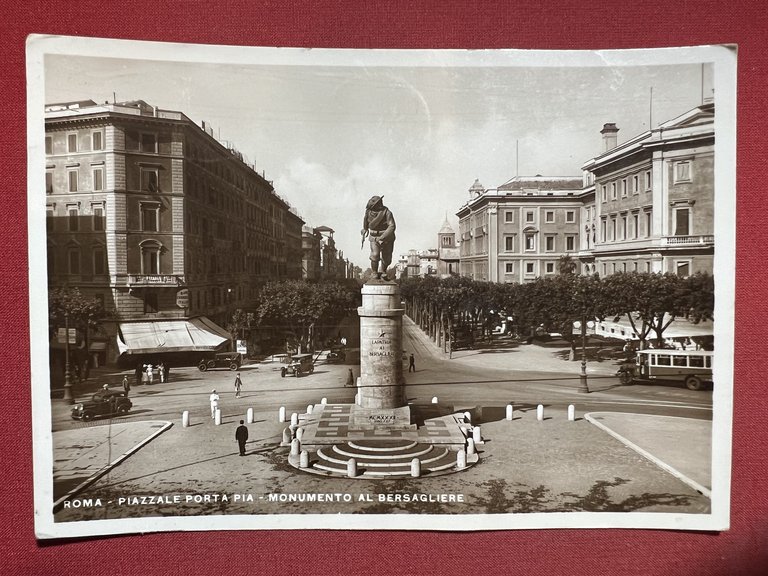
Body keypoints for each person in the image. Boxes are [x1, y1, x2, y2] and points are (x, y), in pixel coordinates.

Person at [361, 195, 396, 280]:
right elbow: (365, 221)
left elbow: (392, 226)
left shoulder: (387, 212)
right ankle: (374, 272)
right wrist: (365, 229)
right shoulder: (368, 212)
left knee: (386, 258)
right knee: (375, 255)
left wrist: (383, 237)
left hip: (387, 237)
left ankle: (383, 271)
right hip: (374, 237)